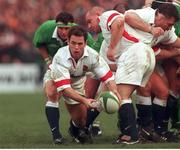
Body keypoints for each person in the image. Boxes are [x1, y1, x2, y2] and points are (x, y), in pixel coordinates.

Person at [86, 6, 155, 144]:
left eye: (89, 21)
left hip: (137, 54)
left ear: (97, 14)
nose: (89, 26)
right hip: (143, 56)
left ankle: (132, 135)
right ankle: (81, 126)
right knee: (115, 94)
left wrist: (112, 48)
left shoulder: (105, 16)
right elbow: (107, 66)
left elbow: (118, 22)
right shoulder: (106, 41)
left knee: (122, 96)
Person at [33, 11, 97, 144]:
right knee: (52, 93)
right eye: (60, 28)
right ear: (56, 25)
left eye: (66, 29)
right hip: (56, 70)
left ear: (72, 27)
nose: (63, 31)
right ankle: (56, 136)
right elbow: (39, 43)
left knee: (81, 117)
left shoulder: (82, 35)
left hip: (77, 77)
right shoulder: (46, 29)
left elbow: (93, 56)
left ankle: (80, 127)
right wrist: (47, 61)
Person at [50, 26, 121, 143]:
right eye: (73, 43)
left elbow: (108, 78)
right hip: (56, 77)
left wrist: (114, 91)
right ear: (68, 41)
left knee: (81, 121)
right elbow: (65, 88)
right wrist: (84, 101)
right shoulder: (60, 56)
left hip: (78, 80)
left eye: (80, 43)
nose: (76, 47)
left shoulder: (93, 56)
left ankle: (75, 129)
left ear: (86, 43)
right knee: (51, 93)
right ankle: (56, 136)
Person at [124, 3, 180, 141]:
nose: (171, 27)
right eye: (169, 23)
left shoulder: (167, 30)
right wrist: (150, 29)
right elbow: (128, 16)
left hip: (142, 61)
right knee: (141, 90)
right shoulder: (147, 14)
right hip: (122, 57)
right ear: (160, 16)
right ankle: (143, 129)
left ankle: (156, 130)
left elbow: (176, 42)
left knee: (162, 92)